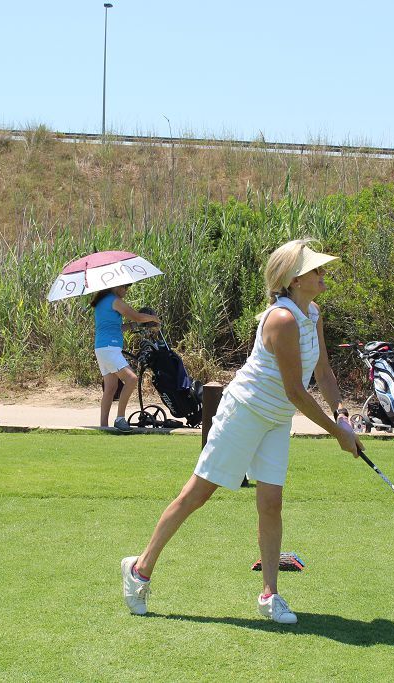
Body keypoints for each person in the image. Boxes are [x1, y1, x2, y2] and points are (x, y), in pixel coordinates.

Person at [120, 239, 362, 623]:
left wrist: (342, 413)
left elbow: (324, 372)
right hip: (244, 412)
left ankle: (270, 594)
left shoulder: (312, 314)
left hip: (277, 419)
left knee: (271, 503)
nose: (323, 274)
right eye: (316, 269)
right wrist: (337, 434)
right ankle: (139, 569)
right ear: (295, 279)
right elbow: (296, 391)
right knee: (196, 494)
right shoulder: (280, 319)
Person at [92, 284, 161, 431]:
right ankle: (120, 418)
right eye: (125, 287)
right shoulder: (114, 301)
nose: (126, 291)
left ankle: (104, 426)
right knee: (132, 379)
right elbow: (136, 315)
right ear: (117, 286)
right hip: (110, 348)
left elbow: (116, 327)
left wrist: (133, 326)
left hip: (102, 348)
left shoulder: (102, 301)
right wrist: (154, 318)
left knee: (110, 387)